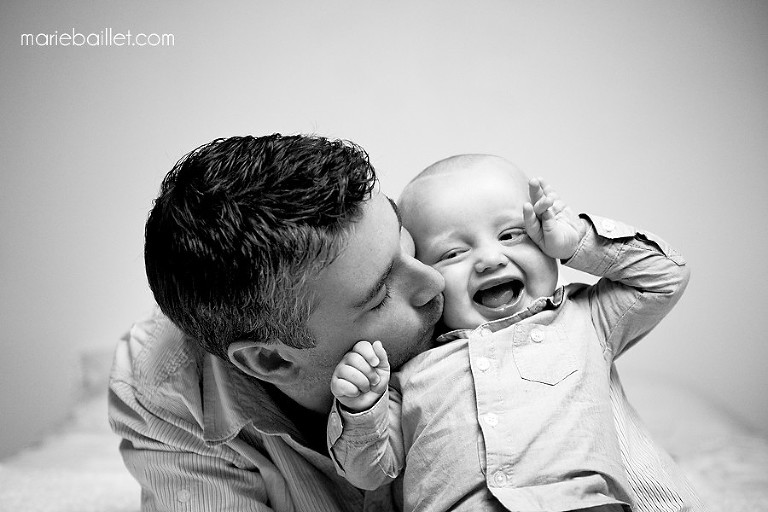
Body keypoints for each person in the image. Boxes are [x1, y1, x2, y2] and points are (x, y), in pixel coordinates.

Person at [327, 155, 705, 512]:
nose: (490, 259)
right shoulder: (409, 371)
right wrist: (361, 408)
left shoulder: (584, 319)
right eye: (452, 254)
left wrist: (577, 242)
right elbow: (369, 472)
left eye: (511, 235)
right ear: (427, 281)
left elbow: (665, 277)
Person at [108, 134, 445, 511]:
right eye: (381, 296)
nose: (435, 282)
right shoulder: (165, 394)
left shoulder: (445, 266)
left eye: (402, 237)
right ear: (270, 360)